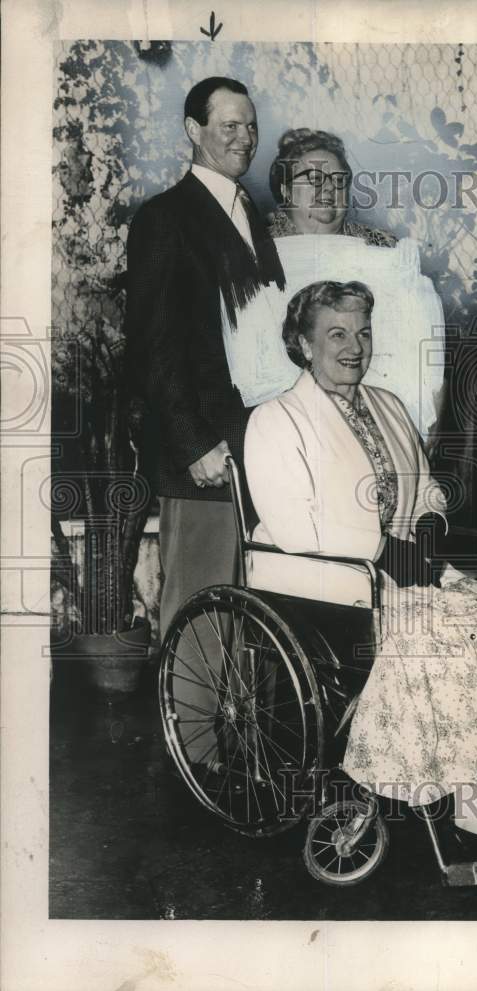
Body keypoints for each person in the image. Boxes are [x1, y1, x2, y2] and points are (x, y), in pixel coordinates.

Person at [244, 280, 477, 861]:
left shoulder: (388, 405)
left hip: (402, 568)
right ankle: (470, 800)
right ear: (302, 343)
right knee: (439, 631)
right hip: (326, 582)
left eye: (363, 333)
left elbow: (428, 493)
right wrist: (383, 552)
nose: (354, 347)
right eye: (337, 334)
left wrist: (426, 529)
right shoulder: (276, 421)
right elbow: (298, 531)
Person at [124, 76, 285, 636]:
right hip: (203, 455)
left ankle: (239, 728)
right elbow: (153, 345)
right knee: (202, 610)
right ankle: (191, 728)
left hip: (252, 443)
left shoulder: (247, 213)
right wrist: (194, 443)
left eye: (251, 126)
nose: (245, 138)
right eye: (229, 127)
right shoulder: (164, 218)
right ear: (194, 131)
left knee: (252, 614)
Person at [220, 127, 444, 437]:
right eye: (313, 179)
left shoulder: (382, 251)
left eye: (339, 182)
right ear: (285, 191)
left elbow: (418, 358)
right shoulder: (253, 257)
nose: (328, 190)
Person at [266, 128, 397, 245]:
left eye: (339, 180)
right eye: (316, 178)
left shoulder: (382, 245)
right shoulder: (257, 244)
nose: (329, 186)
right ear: (286, 190)